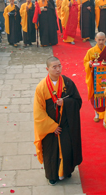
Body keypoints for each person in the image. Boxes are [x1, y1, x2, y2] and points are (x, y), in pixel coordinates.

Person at [34, 56, 82, 185]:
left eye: (59, 66)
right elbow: (38, 112)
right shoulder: (41, 87)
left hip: (66, 124)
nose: (57, 69)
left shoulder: (68, 83)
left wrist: (65, 103)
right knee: (51, 152)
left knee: (67, 148)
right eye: (54, 67)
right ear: (47, 69)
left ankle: (66, 171)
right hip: (50, 126)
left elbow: (78, 101)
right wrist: (51, 126)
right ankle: (52, 176)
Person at [83, 32, 106, 122]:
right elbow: (85, 62)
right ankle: (96, 113)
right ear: (96, 39)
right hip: (95, 78)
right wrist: (88, 64)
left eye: (103, 39)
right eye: (99, 39)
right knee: (95, 96)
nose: (101, 42)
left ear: (105, 39)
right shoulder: (91, 51)